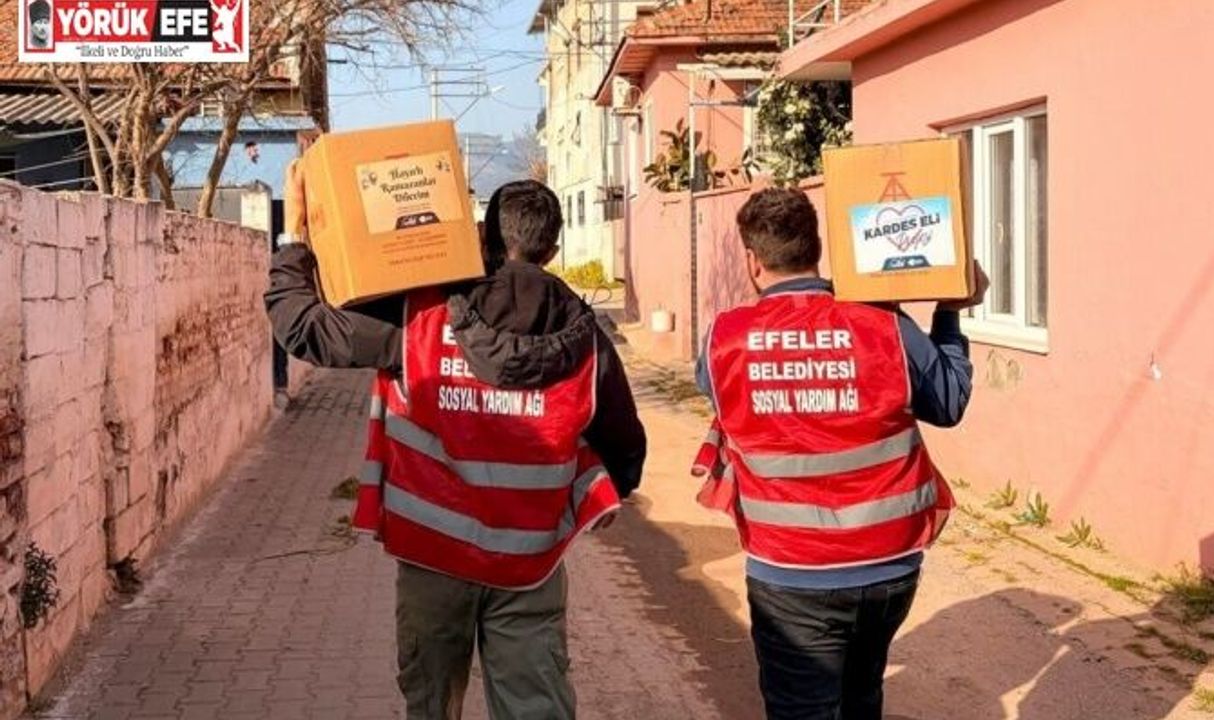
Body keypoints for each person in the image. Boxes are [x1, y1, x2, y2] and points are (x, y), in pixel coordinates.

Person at [265, 170, 647, 720]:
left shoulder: (419, 320)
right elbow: (625, 451)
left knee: (432, 707)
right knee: (535, 708)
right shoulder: (587, 341)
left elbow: (304, 328)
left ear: (485, 241)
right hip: (530, 568)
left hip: (432, 560)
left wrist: (297, 241)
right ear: (554, 250)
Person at [693, 187, 987, 720]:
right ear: (818, 247)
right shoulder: (883, 324)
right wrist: (948, 314)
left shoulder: (723, 340)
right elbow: (948, 402)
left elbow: (724, 396)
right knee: (861, 699)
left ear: (752, 260)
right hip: (888, 567)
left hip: (790, 572)